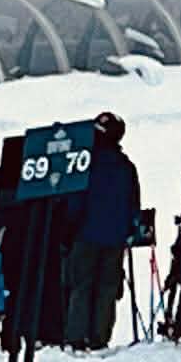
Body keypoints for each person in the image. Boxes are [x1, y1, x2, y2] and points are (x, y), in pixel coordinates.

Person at [62, 115, 144, 349]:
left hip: (86, 233)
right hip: (116, 236)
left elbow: (75, 202)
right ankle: (99, 337)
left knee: (81, 285)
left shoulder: (86, 163)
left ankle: (77, 336)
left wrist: (69, 228)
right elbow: (134, 203)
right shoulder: (126, 166)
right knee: (107, 288)